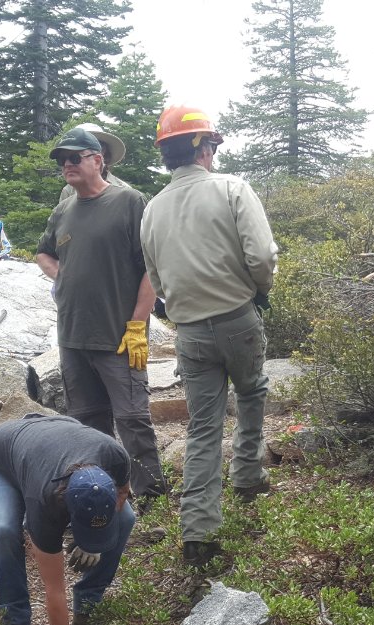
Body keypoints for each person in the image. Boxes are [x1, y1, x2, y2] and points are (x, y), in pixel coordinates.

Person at [139, 105, 278, 570]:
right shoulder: (232, 189)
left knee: (202, 426)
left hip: (190, 331)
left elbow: (157, 280)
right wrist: (258, 288)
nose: (214, 152)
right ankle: (248, 476)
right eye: (212, 144)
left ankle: (198, 530)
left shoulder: (153, 209)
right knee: (252, 392)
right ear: (202, 148)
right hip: (237, 318)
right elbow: (262, 257)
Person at [35, 126, 167, 499]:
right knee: (87, 423)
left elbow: (150, 267)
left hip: (118, 337)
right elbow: (43, 252)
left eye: (74, 158)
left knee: (132, 419)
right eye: (62, 160)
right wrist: (63, 274)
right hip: (73, 338)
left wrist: (137, 326)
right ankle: (102, 495)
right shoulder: (63, 210)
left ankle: (152, 497)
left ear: (98, 160)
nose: (67, 165)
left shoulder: (129, 202)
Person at [0, 414, 136, 625]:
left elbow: (122, 493)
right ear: (66, 505)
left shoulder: (115, 455)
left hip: (48, 443)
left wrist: (93, 540)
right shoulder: (43, 501)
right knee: (5, 531)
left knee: (125, 520)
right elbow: (53, 587)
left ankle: (88, 608)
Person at [57, 122, 131, 205]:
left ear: (103, 151)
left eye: (76, 157)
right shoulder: (68, 191)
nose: (68, 164)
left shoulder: (124, 190)